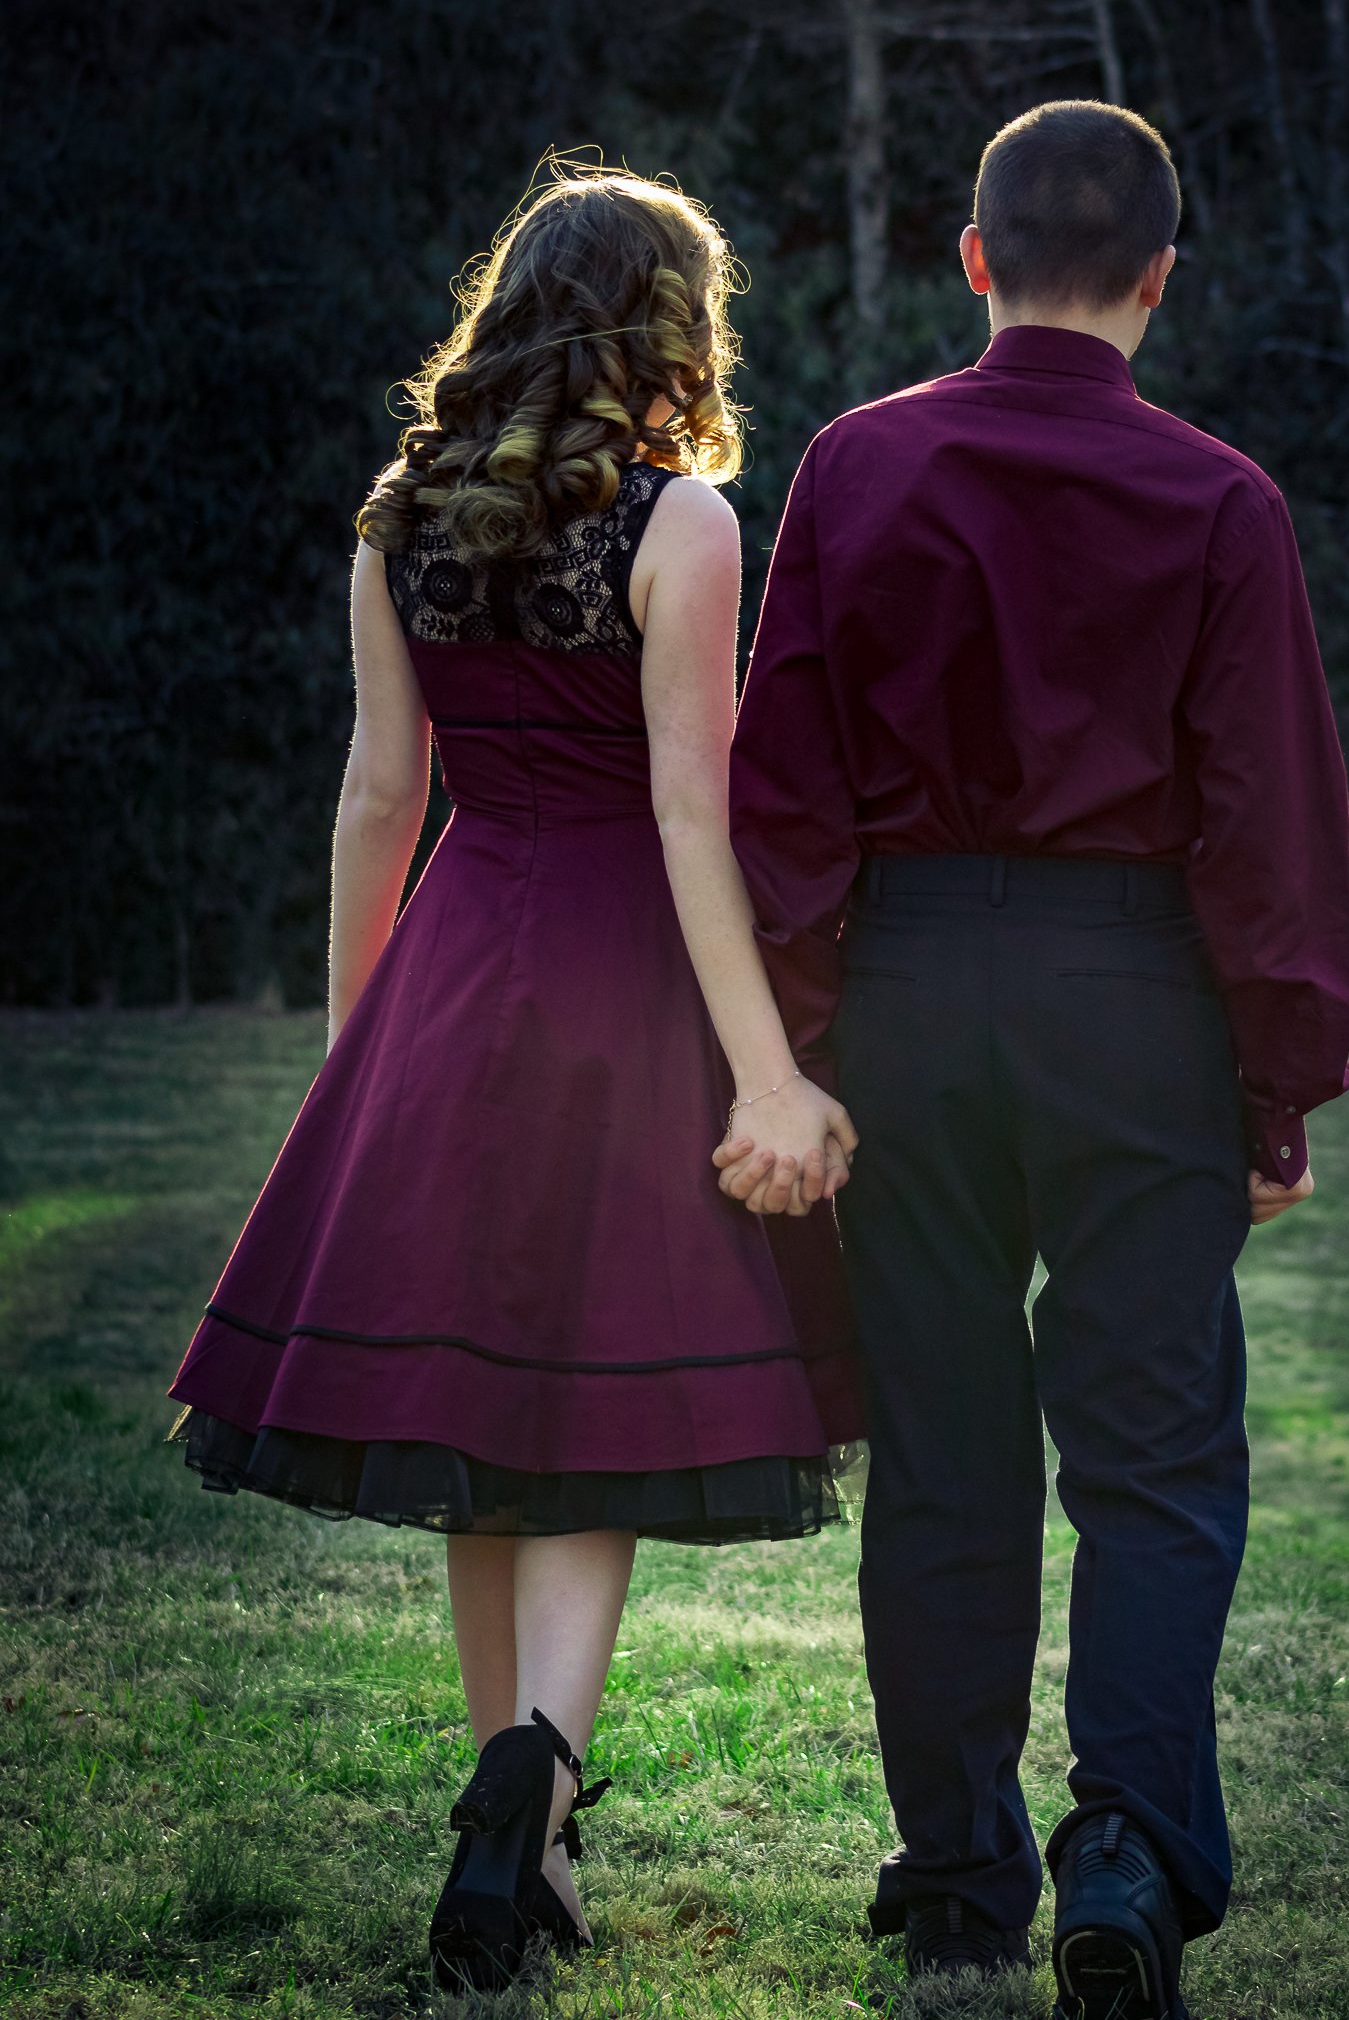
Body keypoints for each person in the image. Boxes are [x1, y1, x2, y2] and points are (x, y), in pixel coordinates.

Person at [165, 167, 862, 1994]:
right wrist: (768, 1070)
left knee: (476, 1406)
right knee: (597, 1401)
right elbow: (690, 821)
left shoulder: (399, 518)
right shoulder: (685, 524)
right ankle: (532, 1787)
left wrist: (353, 1053)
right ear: (667, 322)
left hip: (454, 977)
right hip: (621, 982)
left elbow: (381, 802)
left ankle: (514, 1816)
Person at [724, 101, 1349, 2020]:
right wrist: (1276, 1085)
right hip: (1136, 997)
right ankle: (1129, 1857)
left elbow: (787, 790)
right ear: (1165, 276)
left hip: (909, 989)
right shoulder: (1226, 501)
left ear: (974, 259)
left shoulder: (853, 464)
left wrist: (799, 1044)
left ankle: (957, 1876)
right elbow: (1268, 826)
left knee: (943, 1451)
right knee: (1155, 1463)